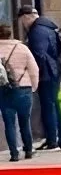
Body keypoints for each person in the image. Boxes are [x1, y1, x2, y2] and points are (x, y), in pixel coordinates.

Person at [18, 7, 61, 152]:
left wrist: (34, 72)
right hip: (54, 69)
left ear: (26, 17)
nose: (22, 24)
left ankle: (53, 141)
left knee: (48, 106)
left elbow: (39, 54)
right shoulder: (47, 26)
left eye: (22, 21)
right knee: (54, 104)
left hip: (46, 73)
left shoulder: (36, 31)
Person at [0, 23, 41, 162]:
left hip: (4, 90)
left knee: (9, 123)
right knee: (25, 122)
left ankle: (14, 154)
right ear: (10, 34)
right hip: (24, 89)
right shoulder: (22, 48)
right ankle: (28, 150)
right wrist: (34, 86)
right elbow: (34, 69)